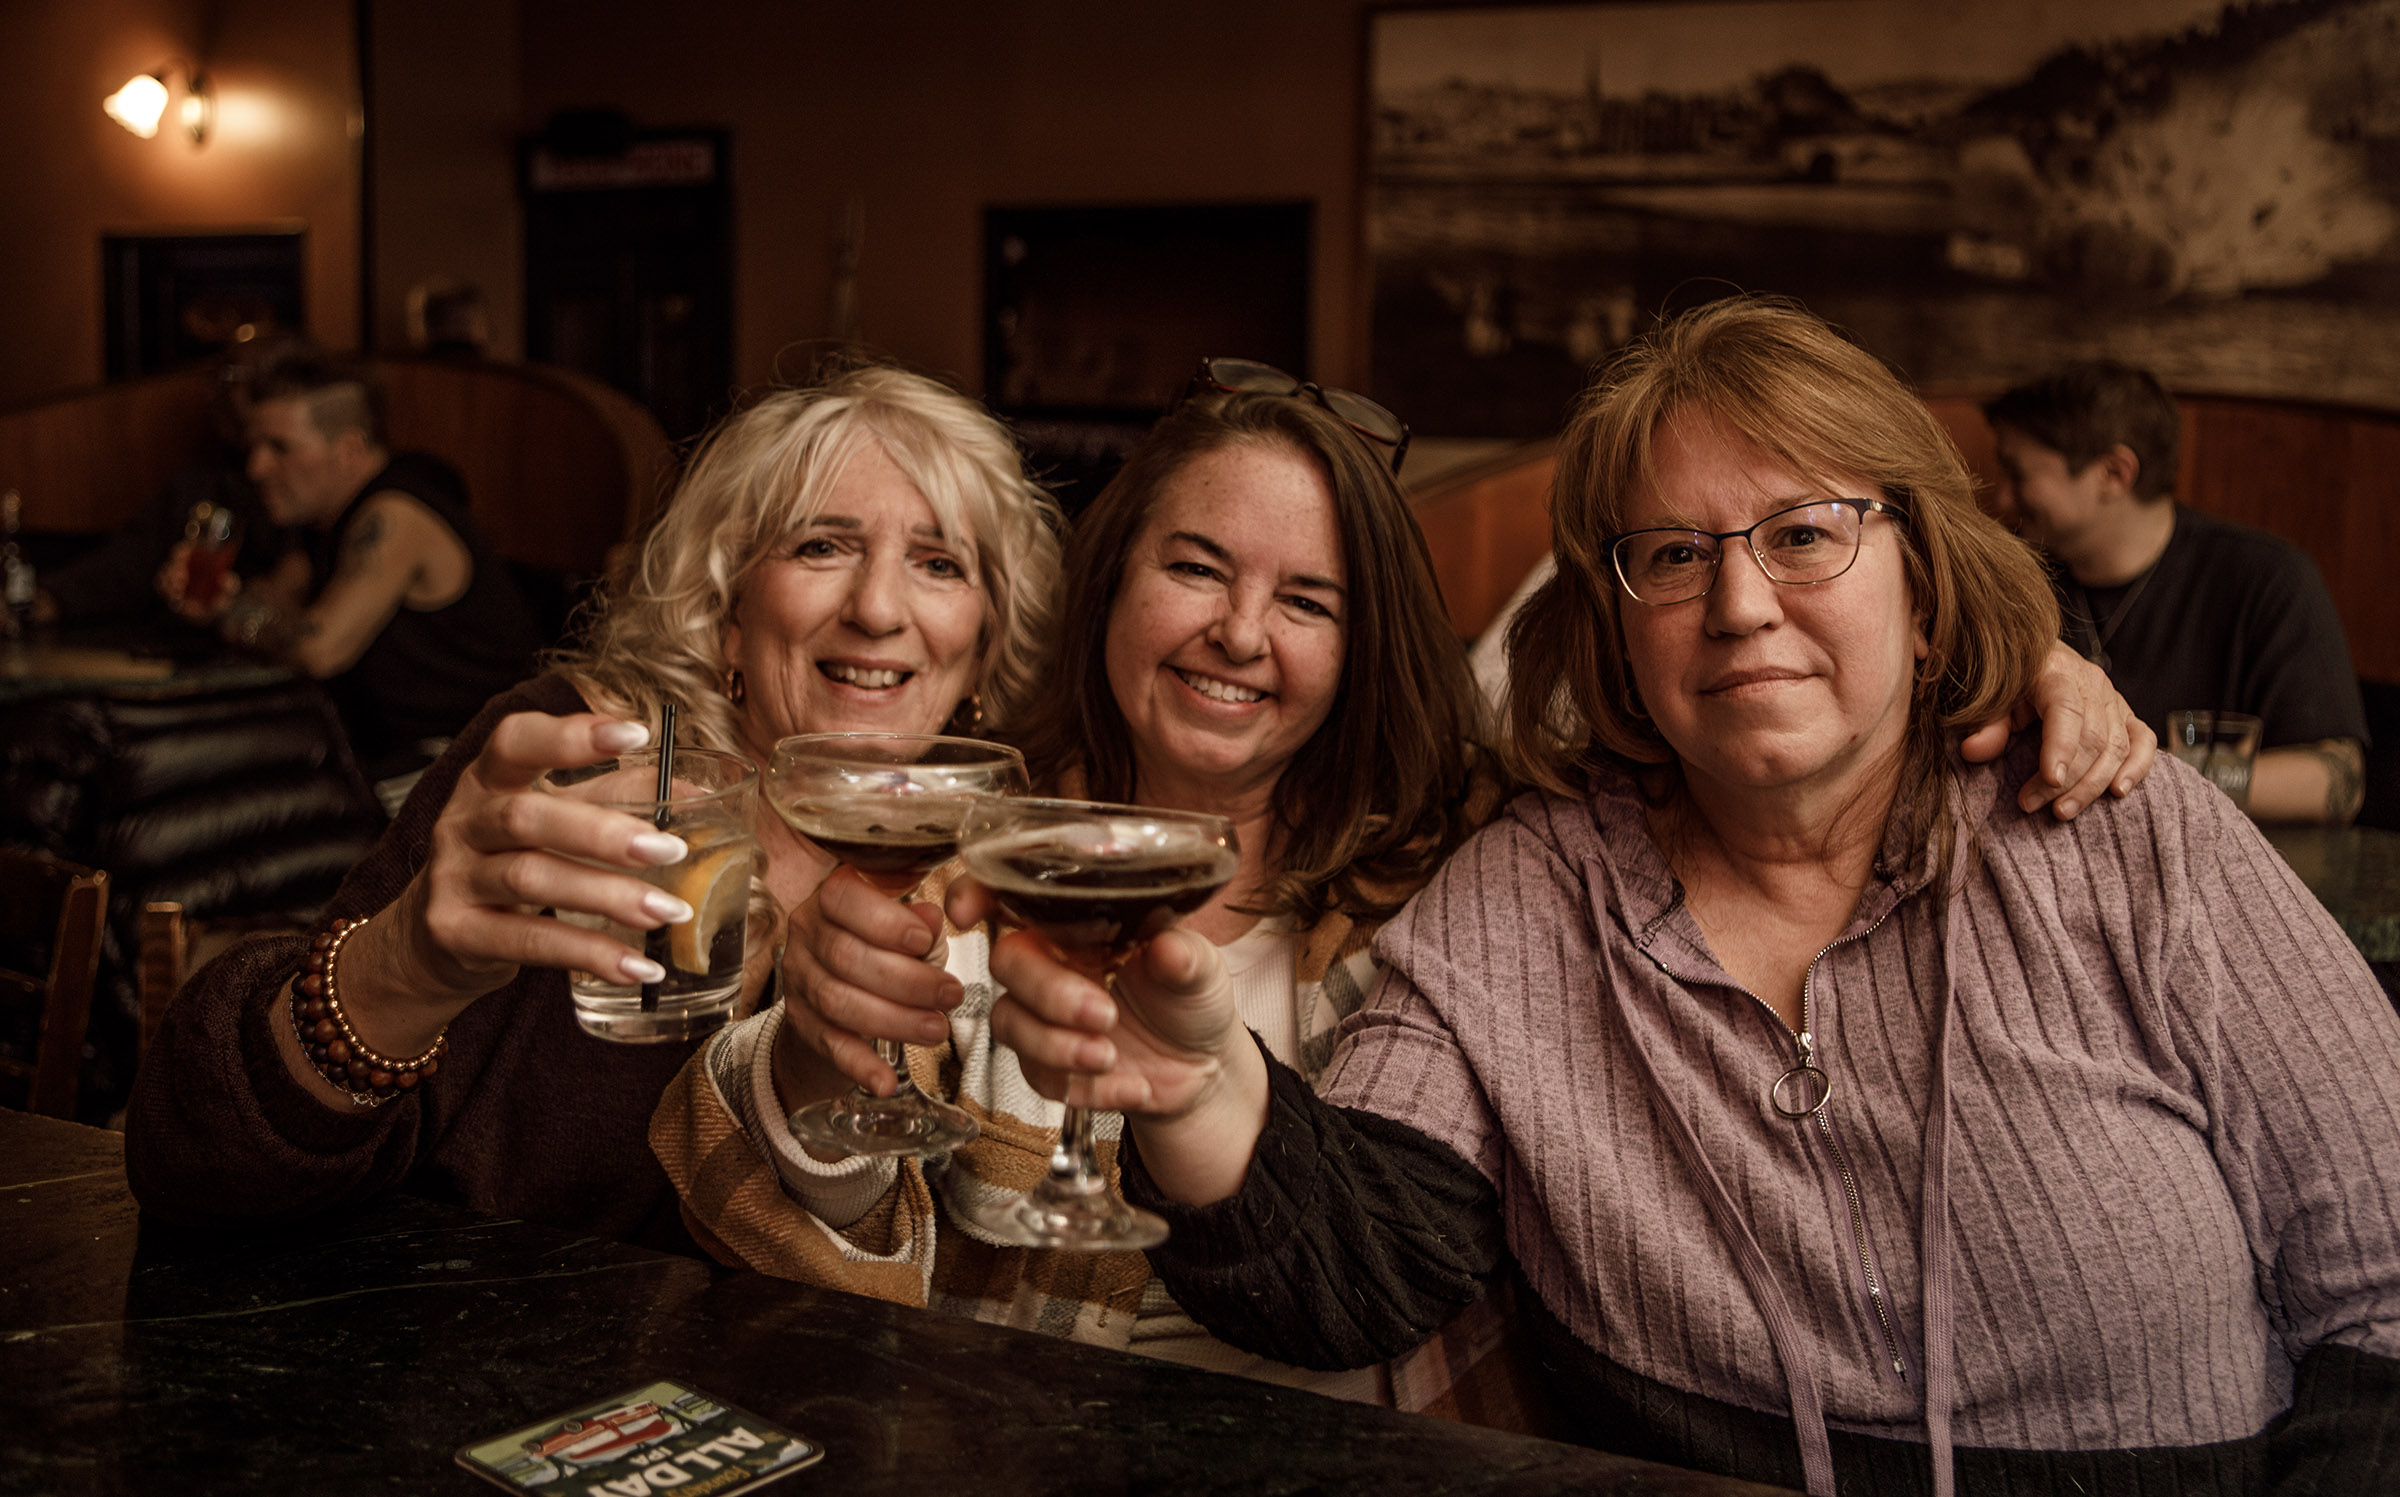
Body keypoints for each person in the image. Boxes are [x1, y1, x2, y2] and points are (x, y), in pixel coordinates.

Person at [980, 301, 2400, 1491]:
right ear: (1614, 622)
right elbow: (1362, 1258)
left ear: (1921, 579)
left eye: (1804, 533)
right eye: (1674, 555)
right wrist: (1202, 1089)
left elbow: (2385, 1293)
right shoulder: (1528, 889)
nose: (1738, 604)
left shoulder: (2120, 828)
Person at [653, 355, 2155, 1406]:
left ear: (1364, 647)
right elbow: (795, 1215)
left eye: (1307, 599)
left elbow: (1737, 701)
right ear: (1110, 580)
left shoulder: (1474, 868)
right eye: (1194, 567)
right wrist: (815, 1047)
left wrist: (2016, 658)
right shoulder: (984, 848)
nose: (1242, 633)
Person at [124, 363, 1062, 1254]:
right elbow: (196, 1167)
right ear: (728, 607)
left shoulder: (1004, 881)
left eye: (940, 564)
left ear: (982, 644)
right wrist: (403, 965)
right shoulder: (579, 763)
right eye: (821, 545)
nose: (879, 607)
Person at [1987, 360, 2368, 825]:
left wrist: (2150, 776)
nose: (2000, 499)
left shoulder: (2266, 577)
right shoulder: (2009, 580)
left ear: (2115, 473)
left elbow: (2336, 782)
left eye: (2017, 474)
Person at [161, 351, 546, 796]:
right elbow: (274, 598)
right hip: (399, 761)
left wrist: (229, 613)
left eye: (279, 448)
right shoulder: (321, 525)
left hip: (470, 766)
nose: (256, 468)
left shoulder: (394, 514)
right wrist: (217, 599)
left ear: (349, 451)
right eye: (254, 449)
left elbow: (319, 649)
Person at [33, 335, 299, 633]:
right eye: (228, 379)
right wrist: (46, 598)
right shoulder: (204, 485)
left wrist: (244, 604)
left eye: (251, 381)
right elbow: (126, 562)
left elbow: (301, 600)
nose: (231, 393)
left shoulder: (323, 497)